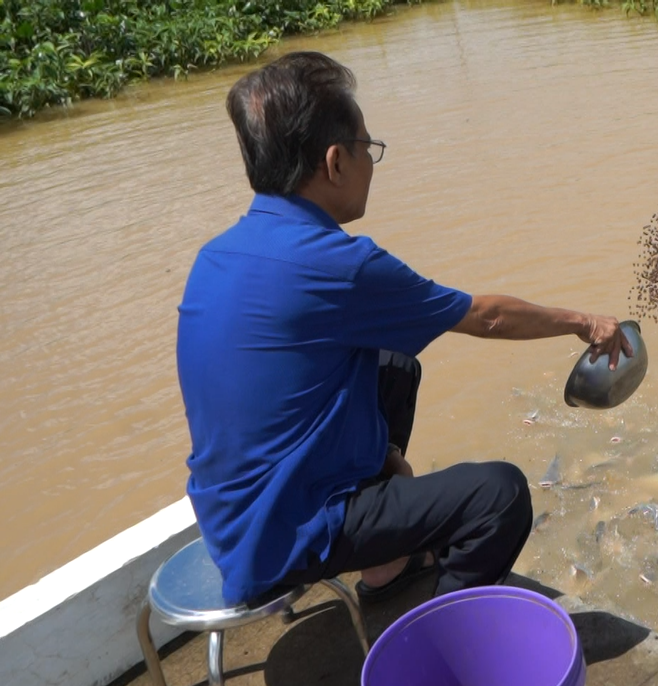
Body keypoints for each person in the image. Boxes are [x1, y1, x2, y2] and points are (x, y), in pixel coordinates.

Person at [176, 51, 631, 605]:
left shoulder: (216, 255)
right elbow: (486, 316)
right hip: (285, 536)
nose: (371, 162)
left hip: (229, 523)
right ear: (336, 161)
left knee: (394, 364)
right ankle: (445, 631)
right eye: (368, 148)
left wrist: (389, 464)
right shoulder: (339, 266)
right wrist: (585, 322)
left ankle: (386, 563)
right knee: (500, 495)